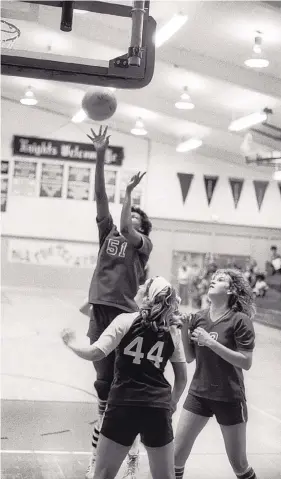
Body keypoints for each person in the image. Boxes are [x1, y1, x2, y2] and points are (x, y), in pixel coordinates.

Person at [61, 277, 188, 479]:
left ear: (147, 296)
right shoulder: (171, 330)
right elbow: (182, 378)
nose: (136, 288)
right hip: (157, 408)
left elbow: (95, 353)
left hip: (123, 405)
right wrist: (172, 404)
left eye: (142, 287)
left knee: (102, 475)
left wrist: (71, 343)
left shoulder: (125, 320)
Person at [85, 126, 153, 478]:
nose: (132, 219)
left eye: (139, 219)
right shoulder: (106, 232)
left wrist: (127, 194)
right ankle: (100, 440)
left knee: (122, 384)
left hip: (126, 315)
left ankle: (130, 450)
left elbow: (127, 226)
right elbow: (99, 197)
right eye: (131, 212)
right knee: (102, 378)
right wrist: (99, 155)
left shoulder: (140, 243)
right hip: (100, 308)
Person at [174, 269, 257, 479]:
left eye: (220, 280)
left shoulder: (240, 320)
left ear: (230, 290)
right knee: (175, 457)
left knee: (239, 465)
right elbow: (191, 357)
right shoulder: (198, 318)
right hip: (199, 394)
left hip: (229, 397)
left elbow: (246, 362)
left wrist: (210, 342)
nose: (213, 281)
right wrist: (184, 330)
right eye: (213, 279)